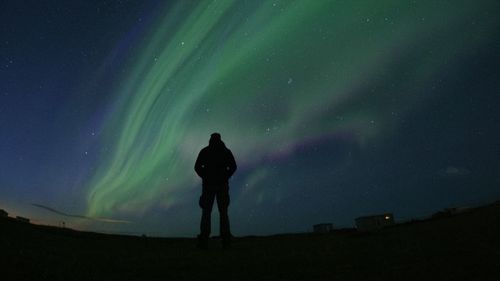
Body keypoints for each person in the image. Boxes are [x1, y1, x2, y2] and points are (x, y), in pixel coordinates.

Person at [194, 133, 237, 249]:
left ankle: (205, 239)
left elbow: (197, 167)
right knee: (221, 212)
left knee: (208, 212)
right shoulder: (225, 151)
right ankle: (225, 240)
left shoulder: (206, 151)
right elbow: (233, 166)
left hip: (210, 186)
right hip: (219, 185)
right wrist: (225, 176)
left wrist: (205, 176)